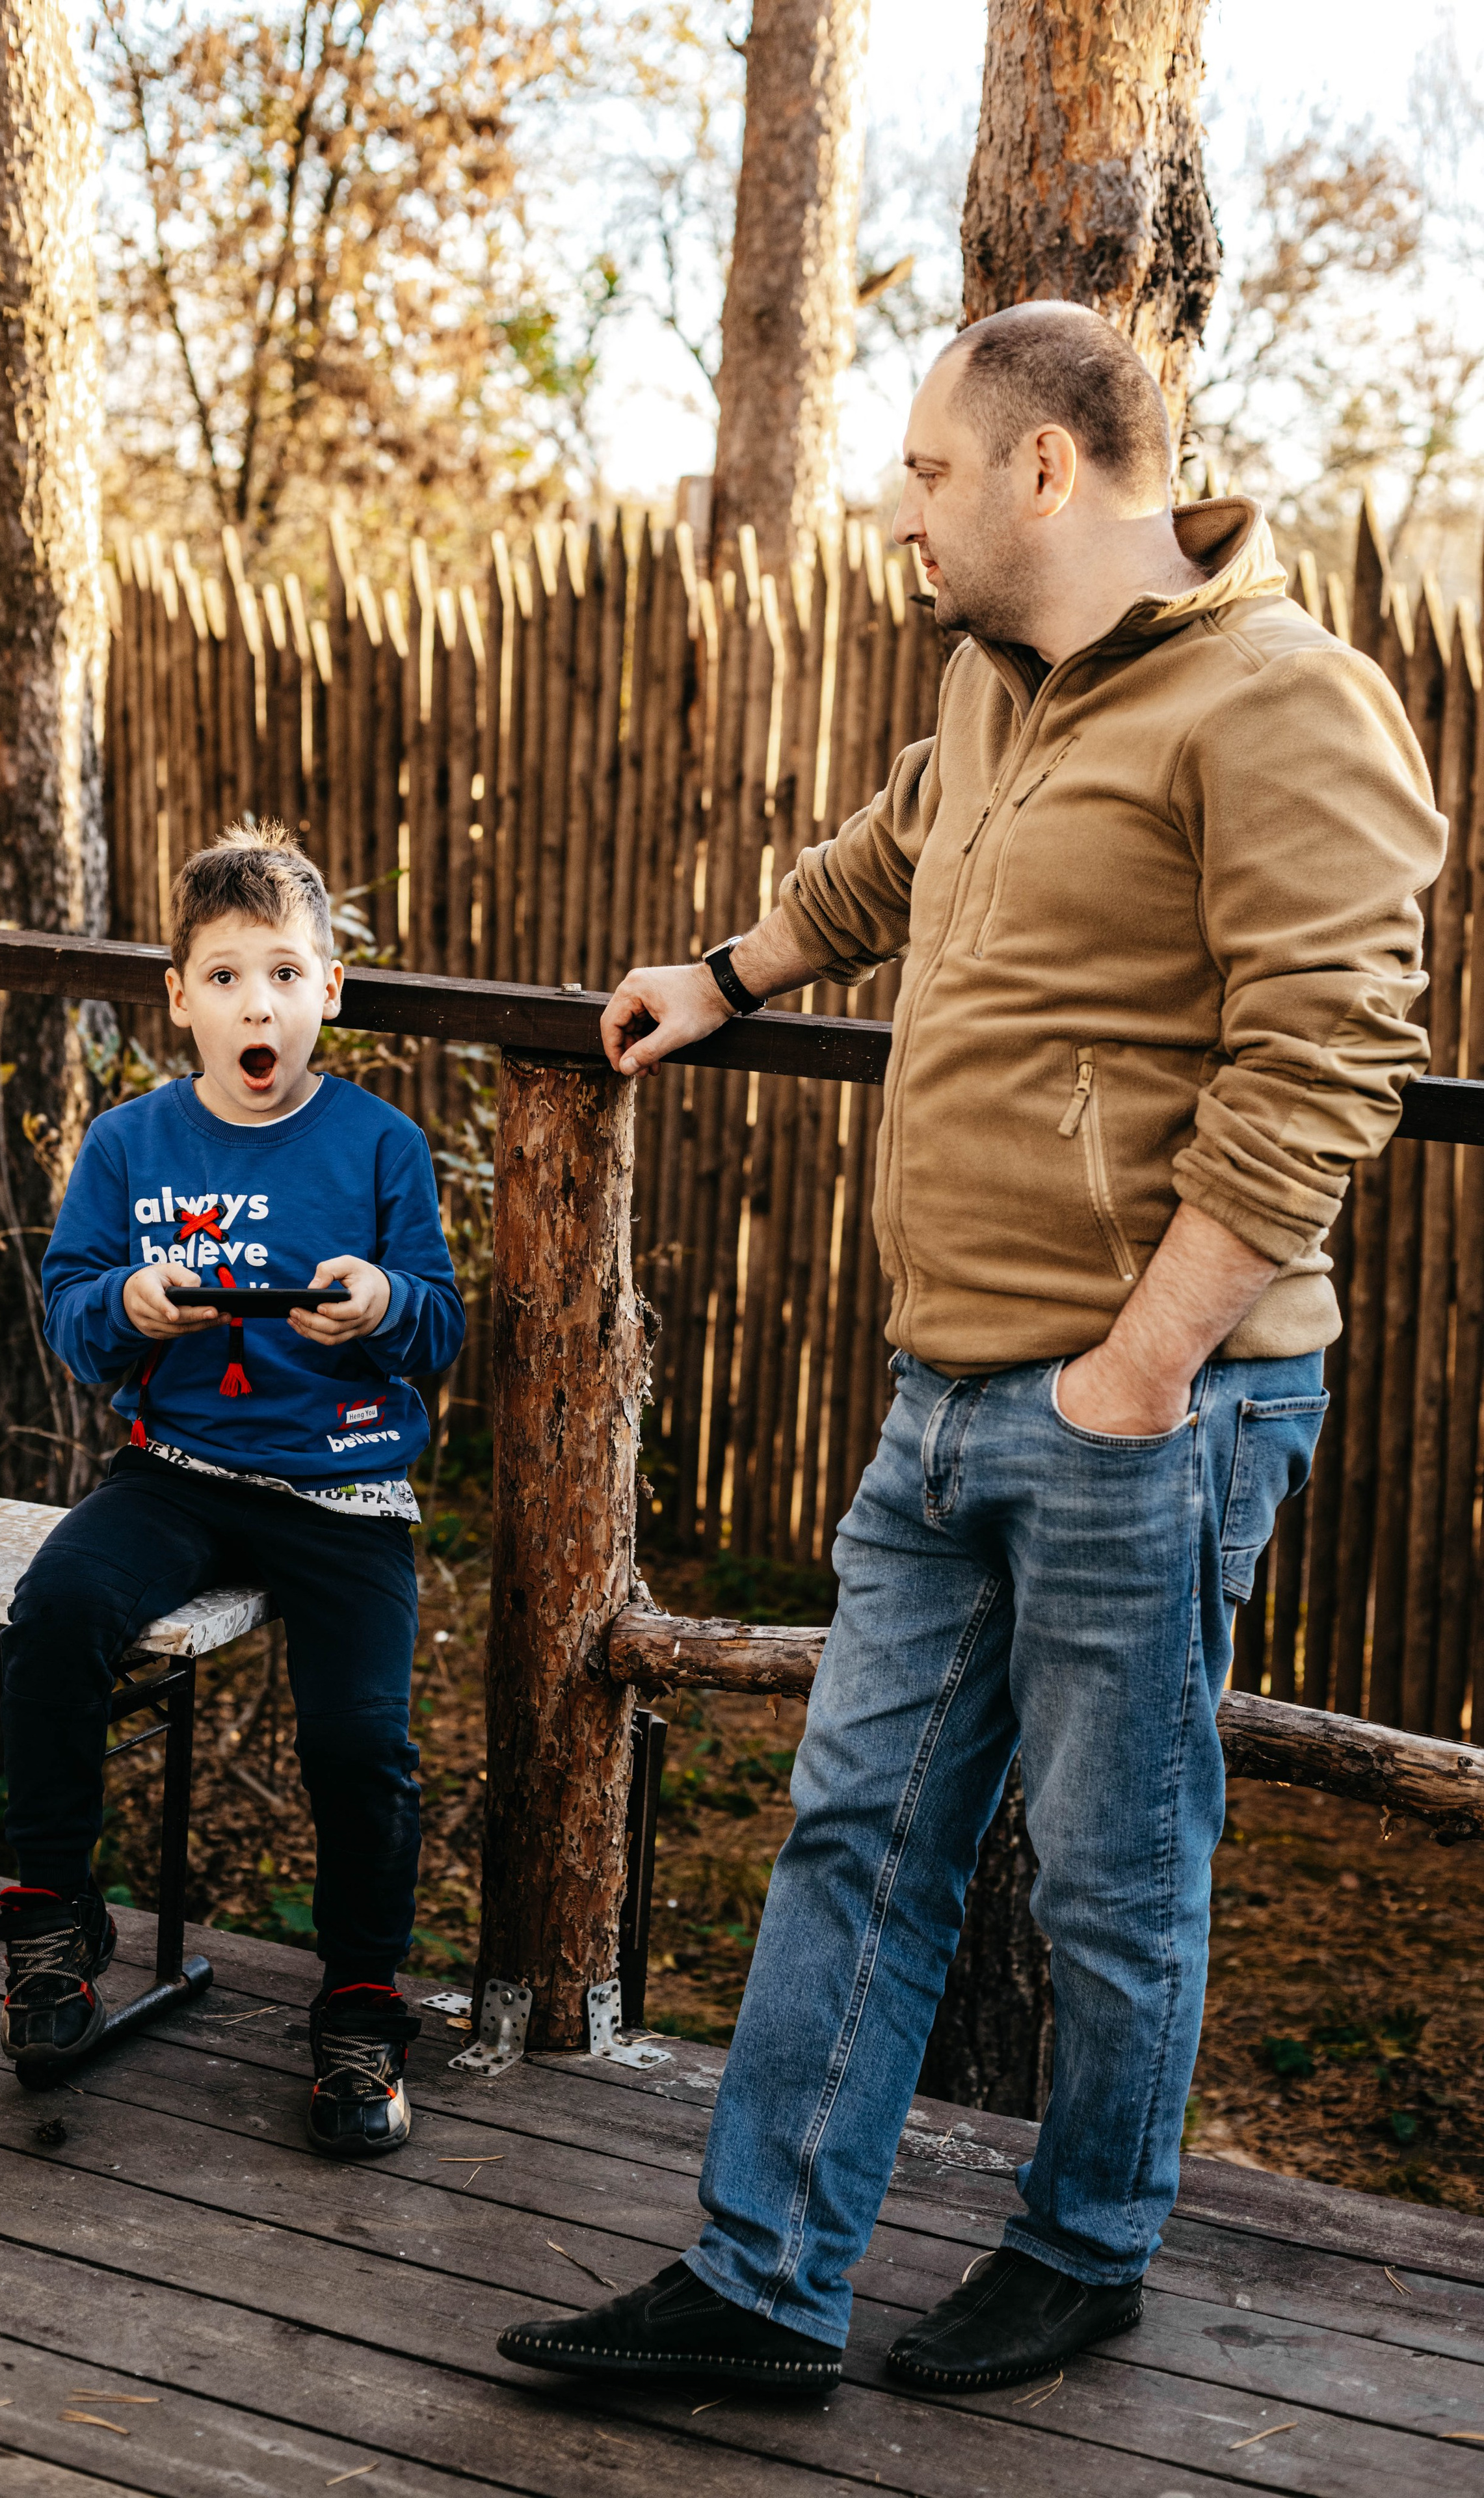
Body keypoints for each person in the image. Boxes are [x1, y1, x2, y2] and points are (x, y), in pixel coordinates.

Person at [497, 304, 1445, 2397]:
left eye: (926, 467)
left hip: (1151, 1403)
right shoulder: (992, 686)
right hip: (945, 1392)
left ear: (1043, 469)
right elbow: (903, 843)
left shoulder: (1289, 702)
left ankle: (1091, 2244)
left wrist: (1140, 1364)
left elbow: (1335, 1055)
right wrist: (730, 968)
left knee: (1115, 1872)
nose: (896, 505)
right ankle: (763, 2284)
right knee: (857, 1832)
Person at [0, 823, 464, 2158]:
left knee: (358, 1742)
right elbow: (76, 1318)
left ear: (331, 993)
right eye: (227, 976)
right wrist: (133, 1303)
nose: (259, 1003)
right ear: (180, 998)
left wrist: (377, 1303)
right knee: (59, 1612)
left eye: (287, 973)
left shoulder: (379, 1147)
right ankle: (53, 1928)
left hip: (345, 1494)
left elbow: (437, 1328)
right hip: (177, 1473)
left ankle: (360, 2010)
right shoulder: (133, 1144)